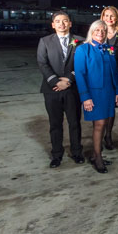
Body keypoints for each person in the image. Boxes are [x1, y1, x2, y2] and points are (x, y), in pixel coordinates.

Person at [36, 11, 84, 168]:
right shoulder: (45, 41)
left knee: (74, 122)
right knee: (55, 123)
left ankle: (77, 151)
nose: (61, 24)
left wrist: (70, 79)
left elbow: (83, 64)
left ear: (70, 23)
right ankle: (56, 154)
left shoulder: (80, 41)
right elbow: (42, 63)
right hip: (52, 89)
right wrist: (55, 81)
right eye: (58, 21)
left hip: (72, 88)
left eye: (65, 21)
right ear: (53, 24)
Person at [74, 20, 118, 173]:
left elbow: (114, 72)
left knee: (106, 123)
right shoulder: (83, 49)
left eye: (103, 30)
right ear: (91, 31)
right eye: (97, 30)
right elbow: (80, 75)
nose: (100, 33)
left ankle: (97, 154)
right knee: (99, 124)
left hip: (108, 92)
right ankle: (98, 156)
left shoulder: (109, 49)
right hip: (93, 94)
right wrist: (85, 97)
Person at [100, 6, 118, 150]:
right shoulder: (97, 34)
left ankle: (108, 135)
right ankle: (99, 133)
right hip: (100, 77)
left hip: (114, 77)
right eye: (106, 15)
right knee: (100, 106)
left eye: (112, 16)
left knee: (111, 108)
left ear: (116, 18)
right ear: (102, 17)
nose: (109, 19)